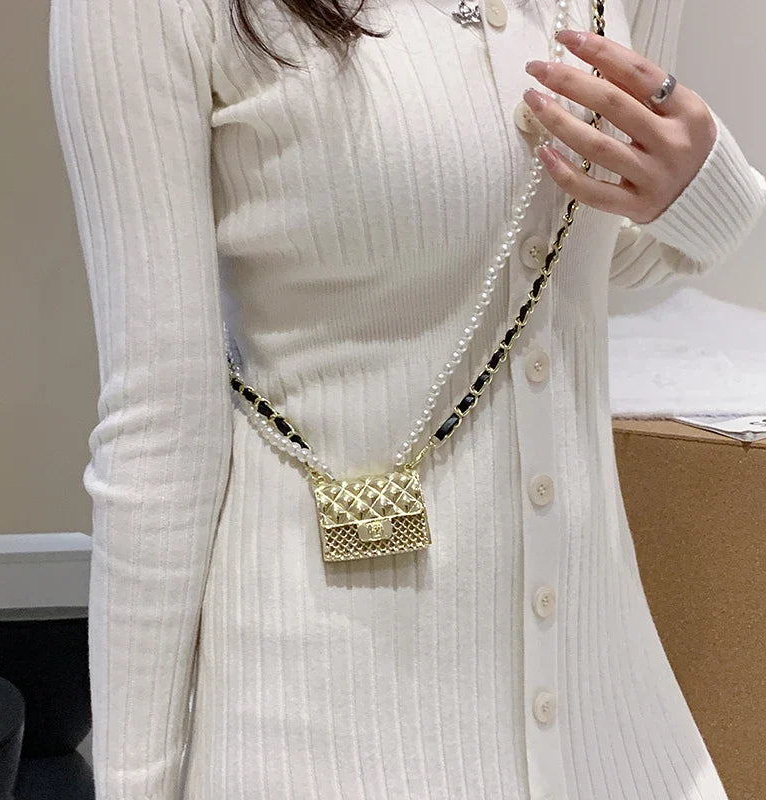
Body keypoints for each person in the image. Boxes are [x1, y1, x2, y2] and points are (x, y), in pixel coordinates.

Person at [48, 0, 766, 797]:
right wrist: (134, 781)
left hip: (614, 719)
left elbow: (596, 250)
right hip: (320, 727)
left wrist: (712, 191)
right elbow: (159, 428)